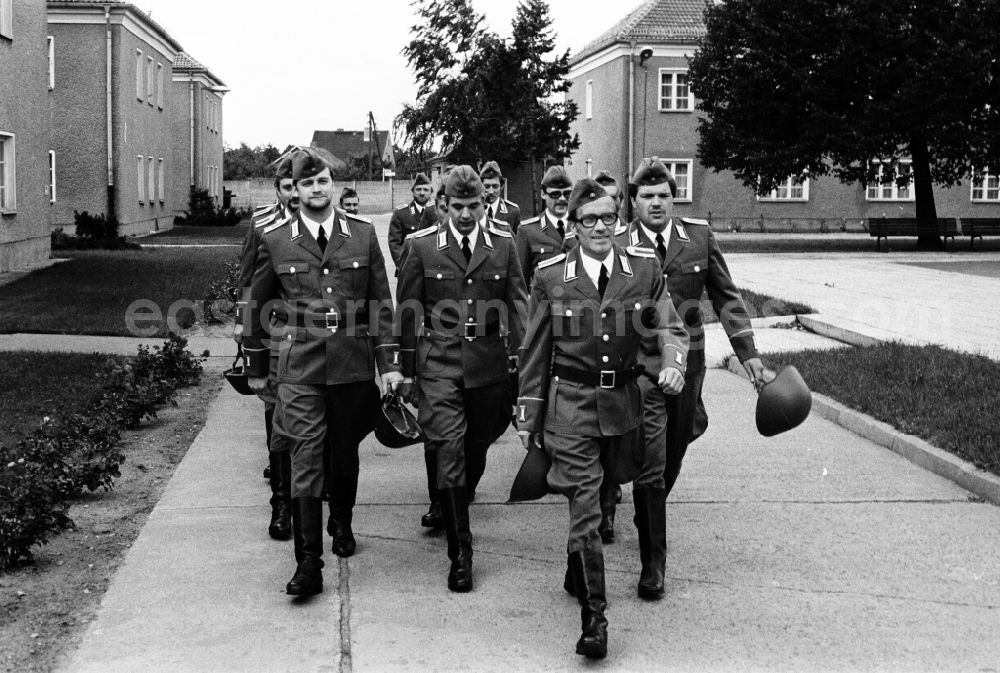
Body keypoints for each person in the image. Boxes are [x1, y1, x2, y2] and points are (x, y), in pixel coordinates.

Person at [516, 177, 688, 659]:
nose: (598, 227)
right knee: (586, 505)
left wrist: (673, 364)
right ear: (573, 225)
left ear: (618, 220)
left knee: (608, 488)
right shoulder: (551, 275)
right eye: (587, 219)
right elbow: (535, 350)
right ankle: (596, 619)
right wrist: (528, 413)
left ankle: (577, 567)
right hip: (569, 406)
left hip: (624, 406)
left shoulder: (643, 269)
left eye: (607, 218)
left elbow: (670, 326)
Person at [243, 147, 403, 597]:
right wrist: (256, 364)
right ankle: (308, 564)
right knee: (305, 457)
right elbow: (254, 304)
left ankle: (343, 521)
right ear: (295, 191)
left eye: (324, 182)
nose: (317, 189)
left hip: (351, 363)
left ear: (332, 186)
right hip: (300, 367)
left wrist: (388, 363)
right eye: (308, 183)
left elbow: (380, 304)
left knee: (344, 453)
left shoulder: (361, 234)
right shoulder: (275, 239)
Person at [611, 157, 764, 563]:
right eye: (647, 196)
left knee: (675, 450)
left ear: (673, 199)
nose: (656, 203)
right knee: (650, 449)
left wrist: (747, 352)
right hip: (639, 367)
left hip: (687, 366)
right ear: (634, 201)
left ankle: (650, 510)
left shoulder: (698, 237)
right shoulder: (619, 245)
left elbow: (726, 296)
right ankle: (650, 531)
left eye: (664, 195)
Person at [396, 165, 528, 592]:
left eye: (474, 205)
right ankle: (461, 551)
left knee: (477, 445)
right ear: (445, 205)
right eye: (458, 206)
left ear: (485, 203)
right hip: (439, 362)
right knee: (449, 447)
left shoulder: (504, 246)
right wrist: (405, 369)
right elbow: (407, 311)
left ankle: (456, 495)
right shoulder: (421, 247)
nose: (467, 214)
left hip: (488, 363)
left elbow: (520, 308)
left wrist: (526, 365)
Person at [235, 155, 298, 541]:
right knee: (277, 414)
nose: (294, 193)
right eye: (287, 186)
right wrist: (245, 333)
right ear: (277, 189)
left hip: (314, 340)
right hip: (275, 336)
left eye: (298, 185)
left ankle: (311, 479)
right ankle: (281, 502)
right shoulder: (262, 225)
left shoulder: (323, 223)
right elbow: (249, 284)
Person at [515, 165, 574, 288]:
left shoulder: (581, 227)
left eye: (567, 194)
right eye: (555, 194)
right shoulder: (528, 231)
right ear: (543, 194)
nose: (562, 199)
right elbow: (520, 283)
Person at [388, 173, 437, 273]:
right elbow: (394, 243)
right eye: (418, 189)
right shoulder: (401, 213)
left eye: (426, 190)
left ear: (431, 192)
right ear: (412, 192)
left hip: (433, 269)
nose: (422, 193)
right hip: (408, 268)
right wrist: (401, 264)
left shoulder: (438, 212)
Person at [479, 161, 521, 234]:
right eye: (486, 187)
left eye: (495, 186)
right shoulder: (474, 209)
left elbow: (517, 242)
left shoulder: (513, 211)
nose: (491, 191)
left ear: (501, 186)